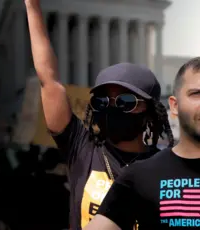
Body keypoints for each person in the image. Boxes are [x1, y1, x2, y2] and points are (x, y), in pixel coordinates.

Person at [24, 0, 174, 228]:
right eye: (101, 101)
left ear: (149, 109)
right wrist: (32, 6)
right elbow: (49, 81)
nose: (112, 108)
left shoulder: (166, 168)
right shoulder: (82, 149)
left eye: (125, 101)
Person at [83, 57, 200, 230]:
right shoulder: (140, 175)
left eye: (127, 102)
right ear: (174, 106)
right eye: (196, 94)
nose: (115, 109)